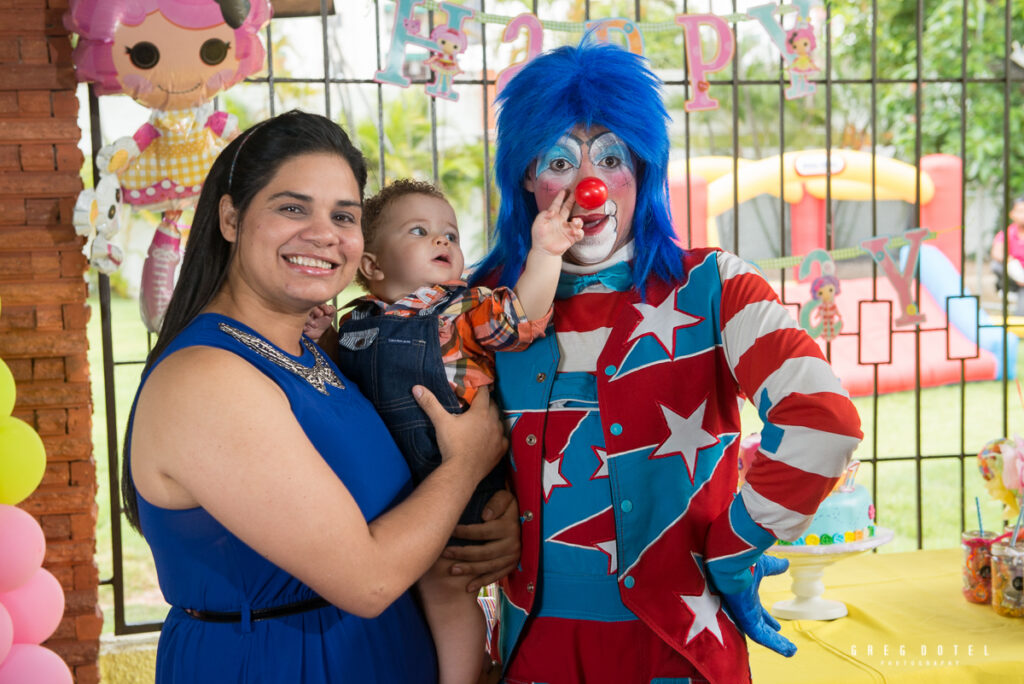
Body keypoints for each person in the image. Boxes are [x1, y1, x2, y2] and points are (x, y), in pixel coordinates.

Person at [472, 40, 864, 684]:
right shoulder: (483, 306)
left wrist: (735, 548)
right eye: (560, 160)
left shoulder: (716, 285)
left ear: (643, 171)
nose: (587, 184)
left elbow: (822, 419)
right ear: (525, 174)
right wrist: (476, 520)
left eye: (610, 157)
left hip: (676, 650)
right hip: (532, 649)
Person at [122, 110, 521, 683]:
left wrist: (483, 524)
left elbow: (399, 499)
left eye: (343, 215)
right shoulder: (207, 377)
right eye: (292, 208)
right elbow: (370, 578)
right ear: (231, 217)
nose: (324, 233)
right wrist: (466, 465)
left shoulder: (317, 354)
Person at [305, 178, 582, 684]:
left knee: (444, 584)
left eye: (450, 234)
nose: (442, 241)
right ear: (372, 265)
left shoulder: (461, 307)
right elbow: (339, 381)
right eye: (420, 231)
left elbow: (521, 316)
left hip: (456, 477)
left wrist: (545, 252)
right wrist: (319, 333)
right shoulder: (357, 322)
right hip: (396, 485)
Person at [990, 195, 1024, 314]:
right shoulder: (1007, 233)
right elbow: (997, 252)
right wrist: (1011, 262)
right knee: (996, 265)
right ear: (1012, 214)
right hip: (1013, 277)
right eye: (1020, 211)